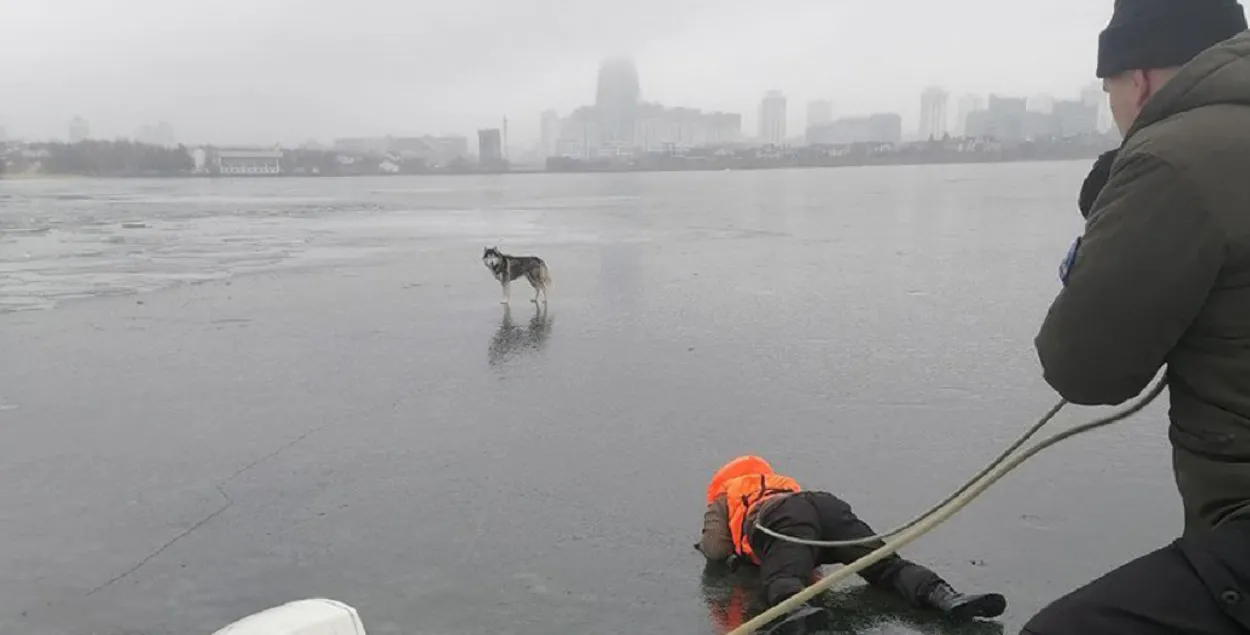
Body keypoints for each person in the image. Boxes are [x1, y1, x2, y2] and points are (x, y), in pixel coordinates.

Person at [1026, 0, 1250, 632]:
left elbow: (1086, 370)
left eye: (1109, 90)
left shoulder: (1171, 158)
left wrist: (1110, 223)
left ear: (1139, 78)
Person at [695, 455, 1007, 626]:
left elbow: (716, 549)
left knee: (783, 577)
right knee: (884, 565)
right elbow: (805, 521)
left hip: (782, 520)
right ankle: (945, 596)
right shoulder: (778, 483)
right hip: (826, 506)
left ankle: (798, 612)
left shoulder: (727, 496)